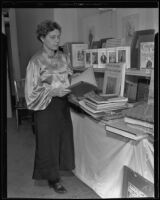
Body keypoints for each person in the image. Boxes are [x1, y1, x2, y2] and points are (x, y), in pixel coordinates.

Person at [25, 20, 75, 194]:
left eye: (58, 37)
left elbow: (70, 78)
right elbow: (30, 94)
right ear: (42, 38)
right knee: (48, 144)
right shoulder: (35, 61)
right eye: (52, 37)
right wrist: (53, 92)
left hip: (62, 105)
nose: (57, 40)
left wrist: (78, 82)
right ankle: (54, 179)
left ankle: (57, 174)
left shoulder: (63, 57)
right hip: (45, 107)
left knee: (62, 141)